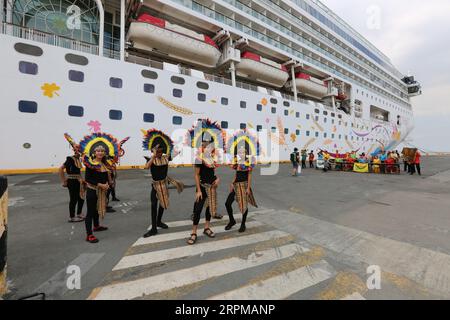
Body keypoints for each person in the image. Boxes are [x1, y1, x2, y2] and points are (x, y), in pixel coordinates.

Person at [142, 130, 184, 238]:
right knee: (153, 205)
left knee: (162, 204)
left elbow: (176, 152)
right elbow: (146, 167)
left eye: (161, 151)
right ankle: (154, 228)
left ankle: (159, 221)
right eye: (158, 151)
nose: (160, 153)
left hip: (164, 185)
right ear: (153, 151)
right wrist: (153, 156)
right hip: (155, 186)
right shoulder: (151, 159)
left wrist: (180, 144)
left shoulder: (166, 158)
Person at [224, 131, 259, 233]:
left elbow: (249, 175)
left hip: (244, 185)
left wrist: (248, 188)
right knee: (227, 203)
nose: (241, 153)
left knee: (244, 205)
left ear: (246, 152)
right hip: (236, 185)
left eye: (243, 151)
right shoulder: (237, 162)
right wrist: (232, 183)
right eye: (239, 151)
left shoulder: (249, 162)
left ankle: (243, 224)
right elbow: (237, 174)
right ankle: (232, 221)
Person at [83, 146, 111, 243]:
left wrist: (107, 184)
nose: (100, 152)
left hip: (102, 190)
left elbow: (105, 176)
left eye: (102, 151)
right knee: (90, 212)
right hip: (92, 190)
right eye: (98, 151)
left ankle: (96, 226)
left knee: (96, 209)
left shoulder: (104, 164)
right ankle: (89, 235)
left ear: (104, 153)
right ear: (94, 152)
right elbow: (88, 179)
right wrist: (101, 185)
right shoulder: (90, 163)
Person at [59, 134, 85, 223]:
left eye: (80, 151)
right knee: (73, 199)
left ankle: (79, 213)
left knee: (81, 198)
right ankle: (71, 216)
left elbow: (78, 172)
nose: (79, 152)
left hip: (79, 181)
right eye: (77, 150)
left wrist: (82, 180)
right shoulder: (70, 159)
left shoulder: (79, 160)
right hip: (72, 182)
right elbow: (60, 169)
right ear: (74, 150)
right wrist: (64, 181)